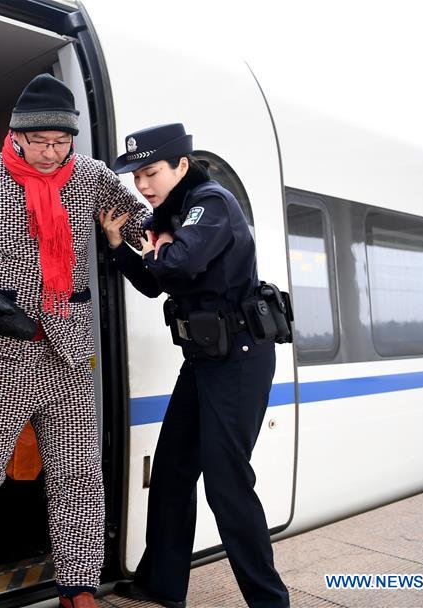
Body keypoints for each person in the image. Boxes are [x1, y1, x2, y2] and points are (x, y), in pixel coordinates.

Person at [0, 74, 151, 608]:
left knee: (78, 466)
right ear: (17, 136)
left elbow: (137, 219)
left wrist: (153, 235)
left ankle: (78, 581)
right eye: (41, 141)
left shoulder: (90, 176)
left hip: (67, 348)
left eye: (61, 142)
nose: (51, 152)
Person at [102, 123, 290, 608]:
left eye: (150, 173)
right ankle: (162, 585)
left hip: (241, 358)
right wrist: (121, 245)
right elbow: (151, 282)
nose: (142, 186)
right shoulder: (174, 215)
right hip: (204, 359)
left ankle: (270, 602)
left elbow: (179, 266)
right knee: (171, 471)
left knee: (226, 482)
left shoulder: (211, 202)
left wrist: (156, 249)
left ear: (180, 166)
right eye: (136, 177)